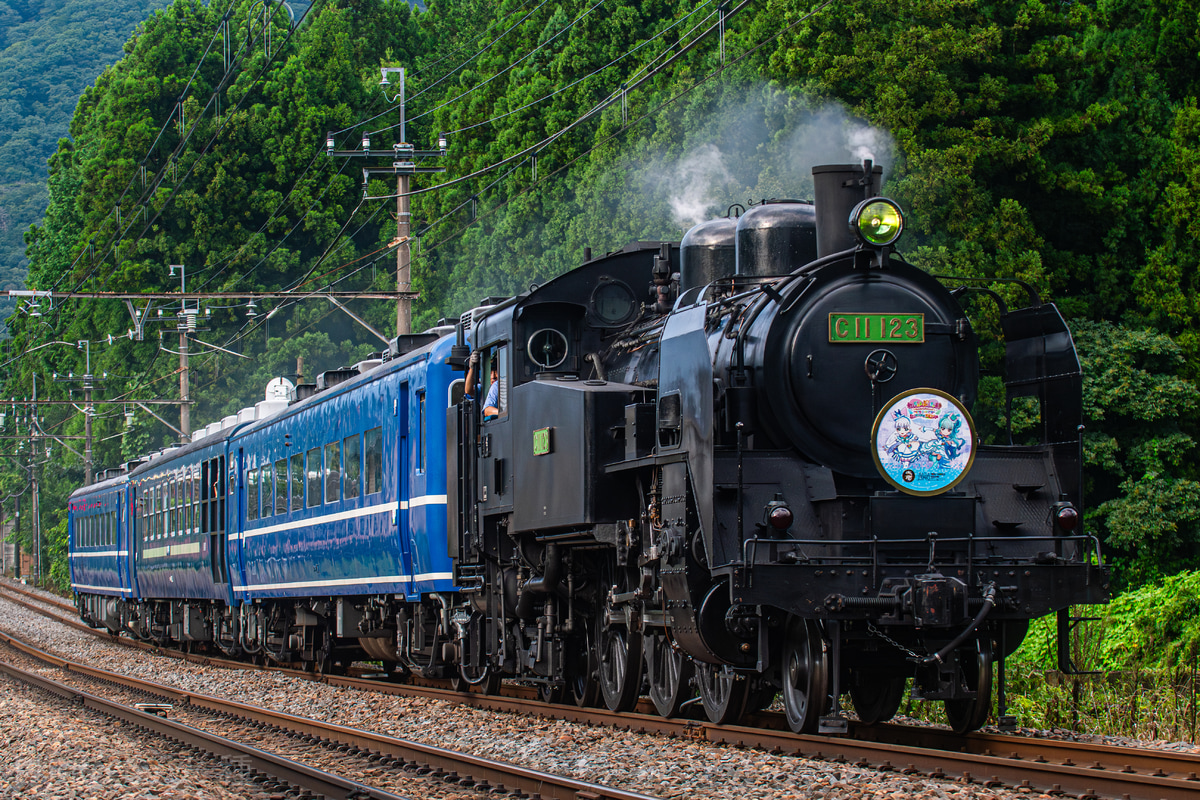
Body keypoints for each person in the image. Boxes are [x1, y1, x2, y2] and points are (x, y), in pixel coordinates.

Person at [464, 350, 502, 420]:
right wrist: (472, 368)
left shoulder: (501, 384)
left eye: (496, 371)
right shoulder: (484, 388)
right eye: (490, 372)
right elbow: (468, 390)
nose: (493, 376)